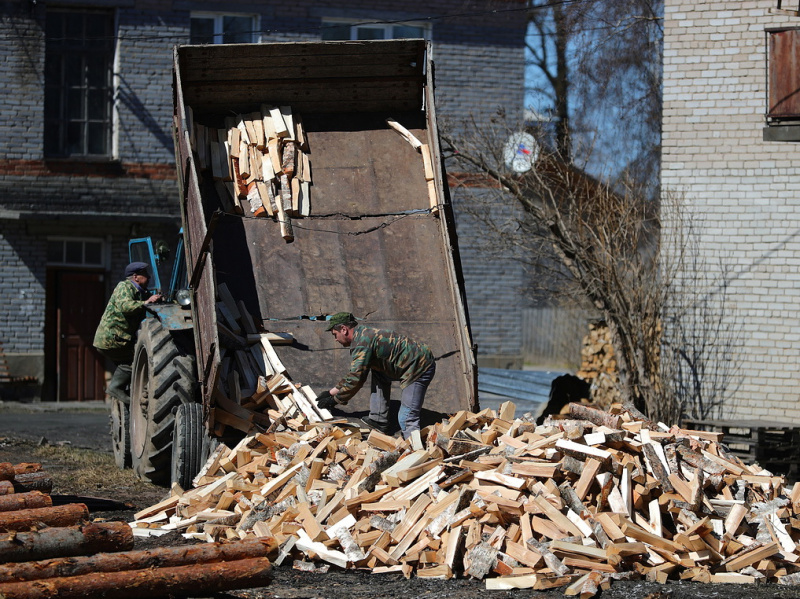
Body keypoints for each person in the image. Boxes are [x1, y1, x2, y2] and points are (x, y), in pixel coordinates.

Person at [317, 312, 435, 438]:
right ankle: (379, 420)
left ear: (344, 330)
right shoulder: (362, 335)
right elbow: (353, 374)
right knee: (378, 371)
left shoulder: (362, 344)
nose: (335, 339)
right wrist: (331, 393)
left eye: (335, 334)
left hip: (419, 368)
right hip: (406, 364)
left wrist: (336, 400)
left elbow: (356, 379)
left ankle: (417, 452)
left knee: (407, 418)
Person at [93, 261, 161, 403]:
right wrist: (146, 303)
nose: (148, 277)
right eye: (145, 275)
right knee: (135, 362)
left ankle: (124, 391)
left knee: (128, 362)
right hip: (111, 339)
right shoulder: (124, 286)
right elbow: (125, 306)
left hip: (118, 339)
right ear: (135, 277)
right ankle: (115, 388)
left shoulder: (140, 292)